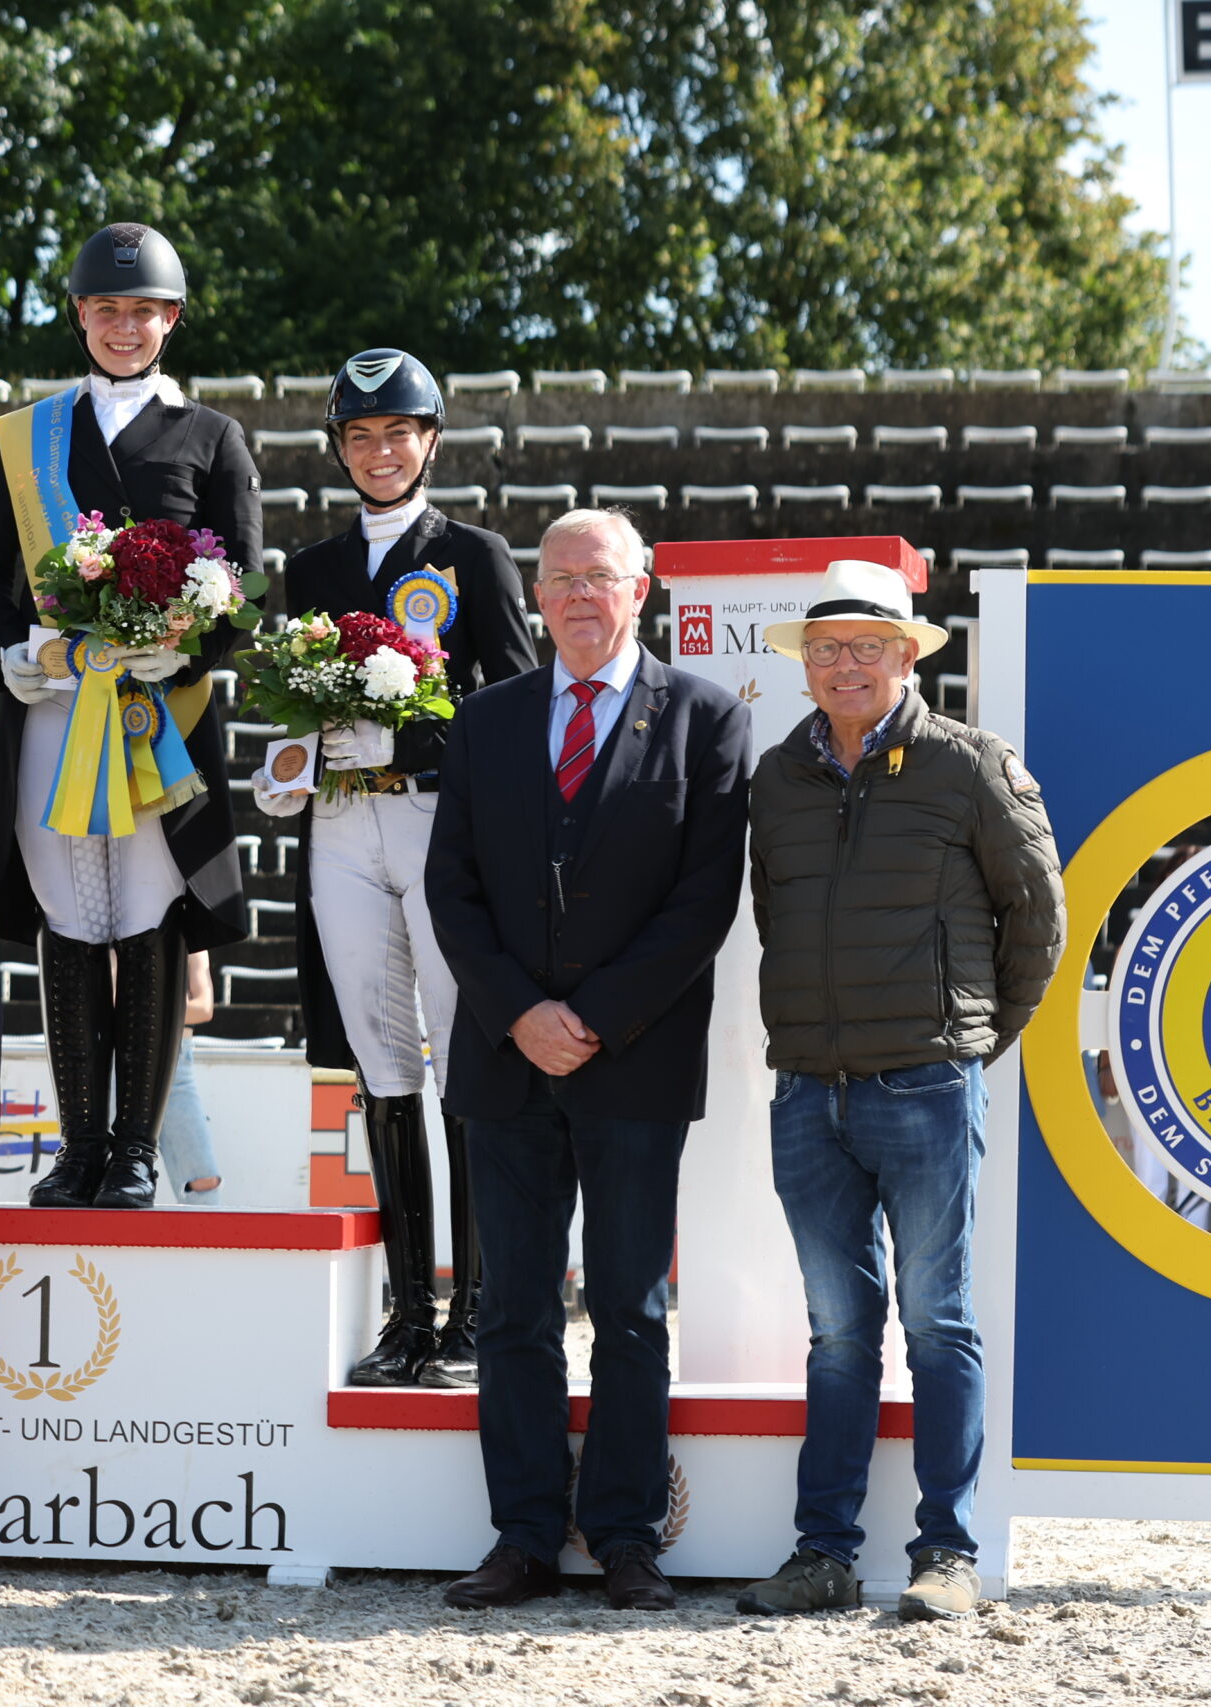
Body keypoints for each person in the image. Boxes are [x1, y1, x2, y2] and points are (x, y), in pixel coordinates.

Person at [424, 507, 753, 1612]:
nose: (575, 595)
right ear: (533, 594)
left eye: (596, 577)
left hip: (634, 1062)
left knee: (628, 1307)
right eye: (556, 577)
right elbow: (451, 890)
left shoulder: (707, 720)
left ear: (640, 588)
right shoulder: (483, 720)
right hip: (503, 1060)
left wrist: (593, 1019)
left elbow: (700, 902)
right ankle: (521, 1536)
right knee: (512, 1308)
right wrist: (520, 1013)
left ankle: (622, 1536)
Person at [734, 560, 1064, 1624]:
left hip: (926, 1083)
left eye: (864, 645)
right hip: (806, 1094)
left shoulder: (969, 765)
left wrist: (968, 1042)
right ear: (803, 665)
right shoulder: (778, 775)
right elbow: (772, 917)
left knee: (937, 1324)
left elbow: (1039, 922)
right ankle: (821, 1555)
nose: (842, 664)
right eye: (823, 648)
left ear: (908, 653)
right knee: (836, 1335)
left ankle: (947, 1556)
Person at [0, 221, 263, 1210]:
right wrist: (18, 651)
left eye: (143, 310)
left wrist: (189, 646)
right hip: (59, 705)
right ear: (79, 316)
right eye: (106, 309)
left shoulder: (211, 436)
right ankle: (77, 1143)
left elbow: (243, 580)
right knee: (69, 920)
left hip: (160, 720)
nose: (124, 326)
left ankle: (134, 1149)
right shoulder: (28, 436)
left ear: (170, 319)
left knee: (146, 915)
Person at [252, 348, 536, 1387]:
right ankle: (406, 1313)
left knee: (461, 1058)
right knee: (381, 1063)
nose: (379, 452)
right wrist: (289, 760)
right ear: (339, 448)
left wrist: (414, 746)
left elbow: (514, 708)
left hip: (431, 823)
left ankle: (475, 1311)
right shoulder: (313, 569)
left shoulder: (473, 555)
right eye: (360, 436)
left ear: (429, 441)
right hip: (339, 824)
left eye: (397, 433)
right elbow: (300, 695)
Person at [155, 952, 222, 1204]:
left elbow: (204, 1009)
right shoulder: (123, 928)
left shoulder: (191, 941)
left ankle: (208, 1241)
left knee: (203, 1179)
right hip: (123, 1064)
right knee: (117, 1178)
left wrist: (144, 1012)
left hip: (176, 1065)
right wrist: (175, 1008)